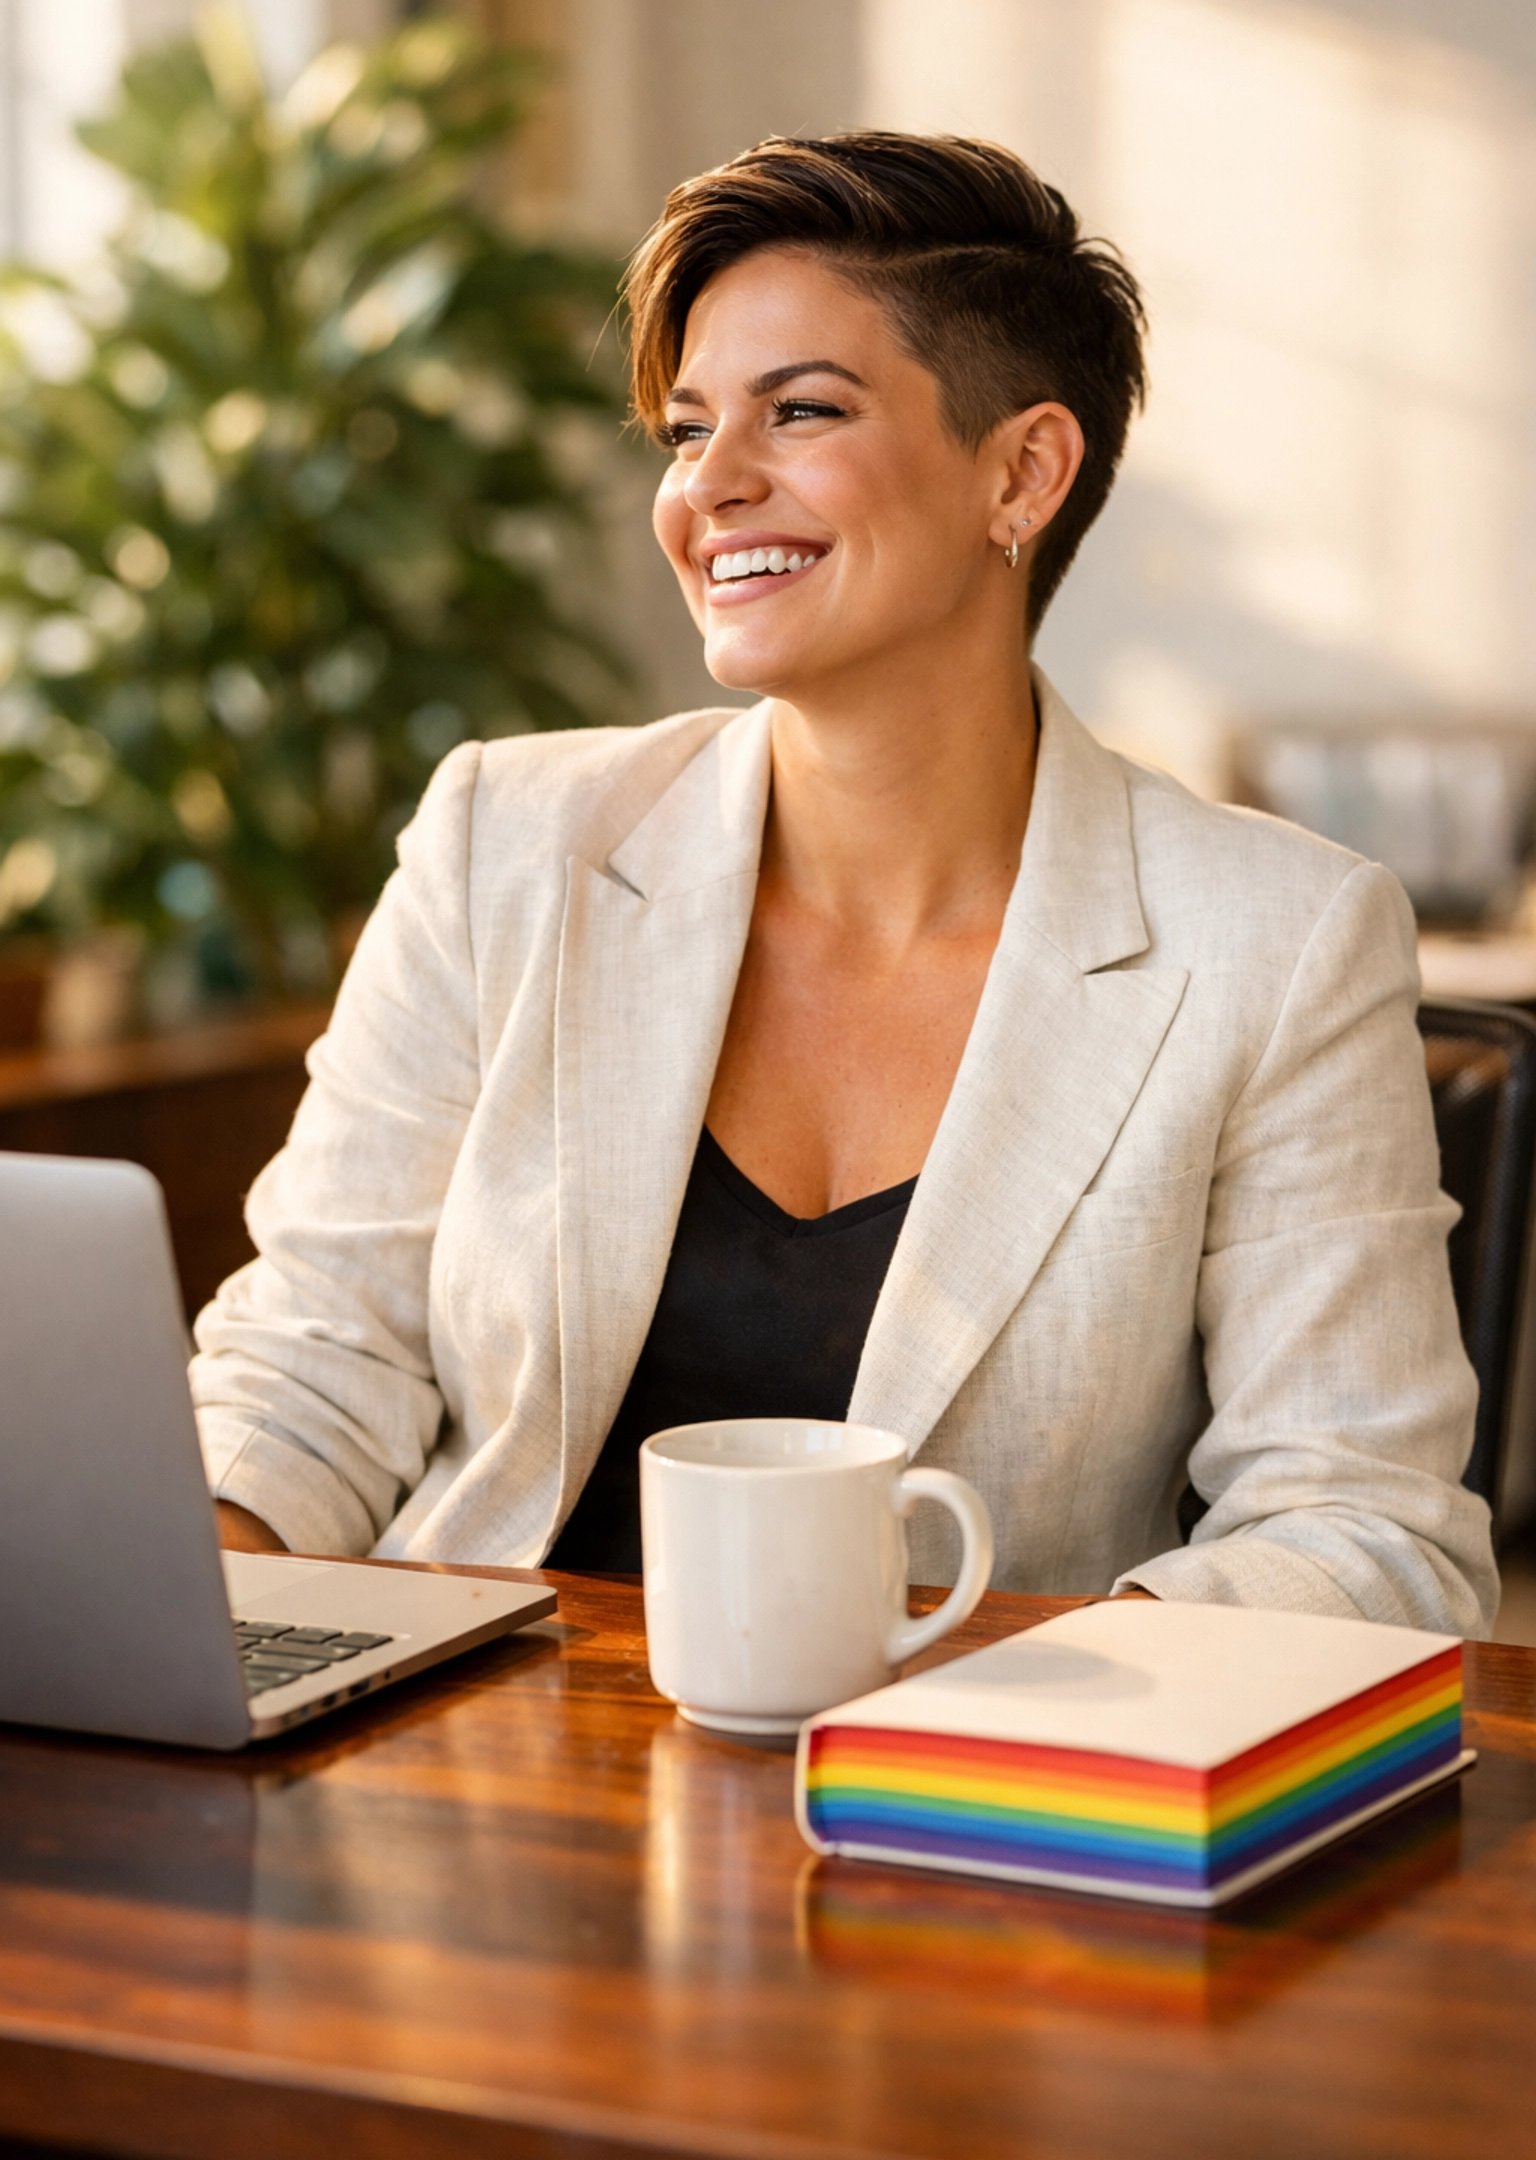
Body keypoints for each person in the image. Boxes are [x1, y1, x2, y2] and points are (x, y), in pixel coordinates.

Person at [199, 131, 1496, 1635]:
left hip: (969, 1814)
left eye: (800, 411)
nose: (712, 488)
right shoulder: (510, 837)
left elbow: (1365, 1535)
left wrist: (990, 1712)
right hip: (475, 1771)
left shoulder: (1276, 942)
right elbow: (312, 1360)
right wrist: (164, 1610)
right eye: (688, 432)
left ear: (1023, 472)